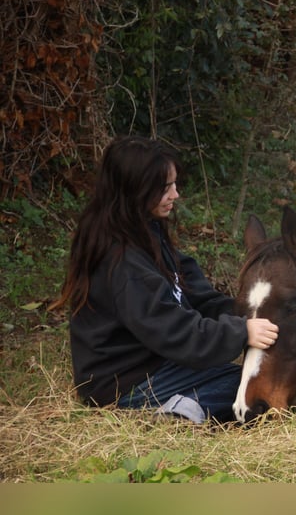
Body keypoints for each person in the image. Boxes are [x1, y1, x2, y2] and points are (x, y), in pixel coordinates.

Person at [51, 136, 278, 423]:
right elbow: (175, 330)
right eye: (165, 188)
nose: (175, 195)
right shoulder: (122, 261)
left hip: (155, 363)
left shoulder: (147, 234)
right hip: (124, 383)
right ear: (135, 190)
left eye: (174, 184)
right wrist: (240, 332)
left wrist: (250, 312)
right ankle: (181, 413)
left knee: (259, 378)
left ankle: (183, 406)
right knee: (255, 387)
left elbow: (198, 298)